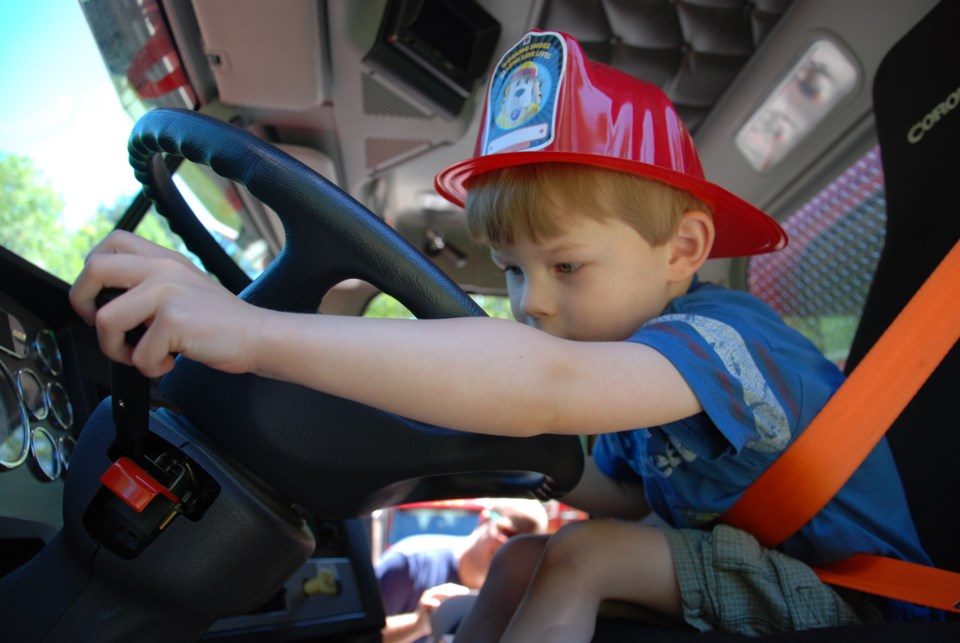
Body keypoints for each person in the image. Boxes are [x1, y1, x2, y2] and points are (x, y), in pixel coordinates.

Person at [69, 29, 934, 642]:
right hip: (761, 572)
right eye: (514, 270)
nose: (531, 304)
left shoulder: (721, 340)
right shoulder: (636, 387)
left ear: (684, 249)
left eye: (565, 267)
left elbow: (545, 383)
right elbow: (623, 495)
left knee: (581, 560)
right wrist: (469, 448)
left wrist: (252, 333)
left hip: (857, 603)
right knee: (526, 557)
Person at [376, 499, 547, 643]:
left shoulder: (521, 594)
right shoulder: (409, 564)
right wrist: (417, 624)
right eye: (508, 533)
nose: (511, 548)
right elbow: (357, 636)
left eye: (523, 544)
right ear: (484, 519)